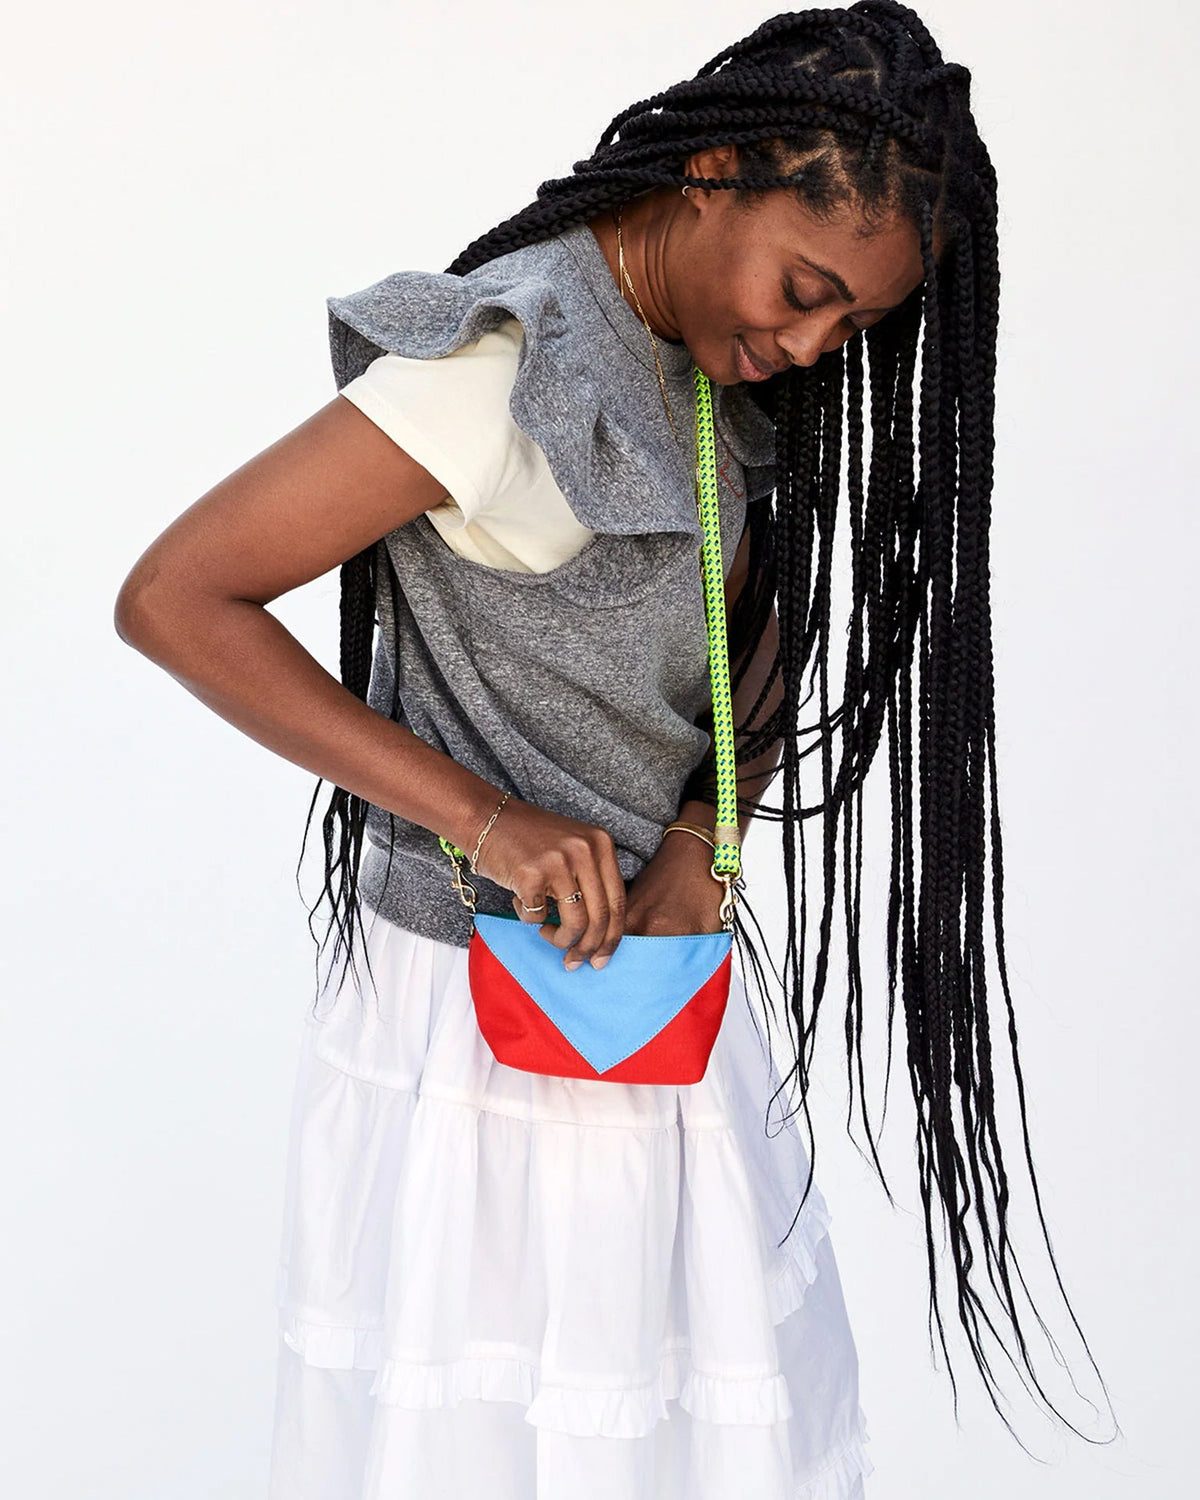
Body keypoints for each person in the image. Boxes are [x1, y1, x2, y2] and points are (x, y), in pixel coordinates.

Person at [113, 3, 1117, 1495]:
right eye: (805, 290)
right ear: (710, 171)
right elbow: (176, 598)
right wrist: (485, 818)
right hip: (474, 1024)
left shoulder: (715, 370)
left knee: (678, 1438)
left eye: (850, 328)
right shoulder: (500, 362)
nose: (809, 343)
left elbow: (755, 627)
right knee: (495, 1445)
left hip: (654, 996)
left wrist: (709, 835)